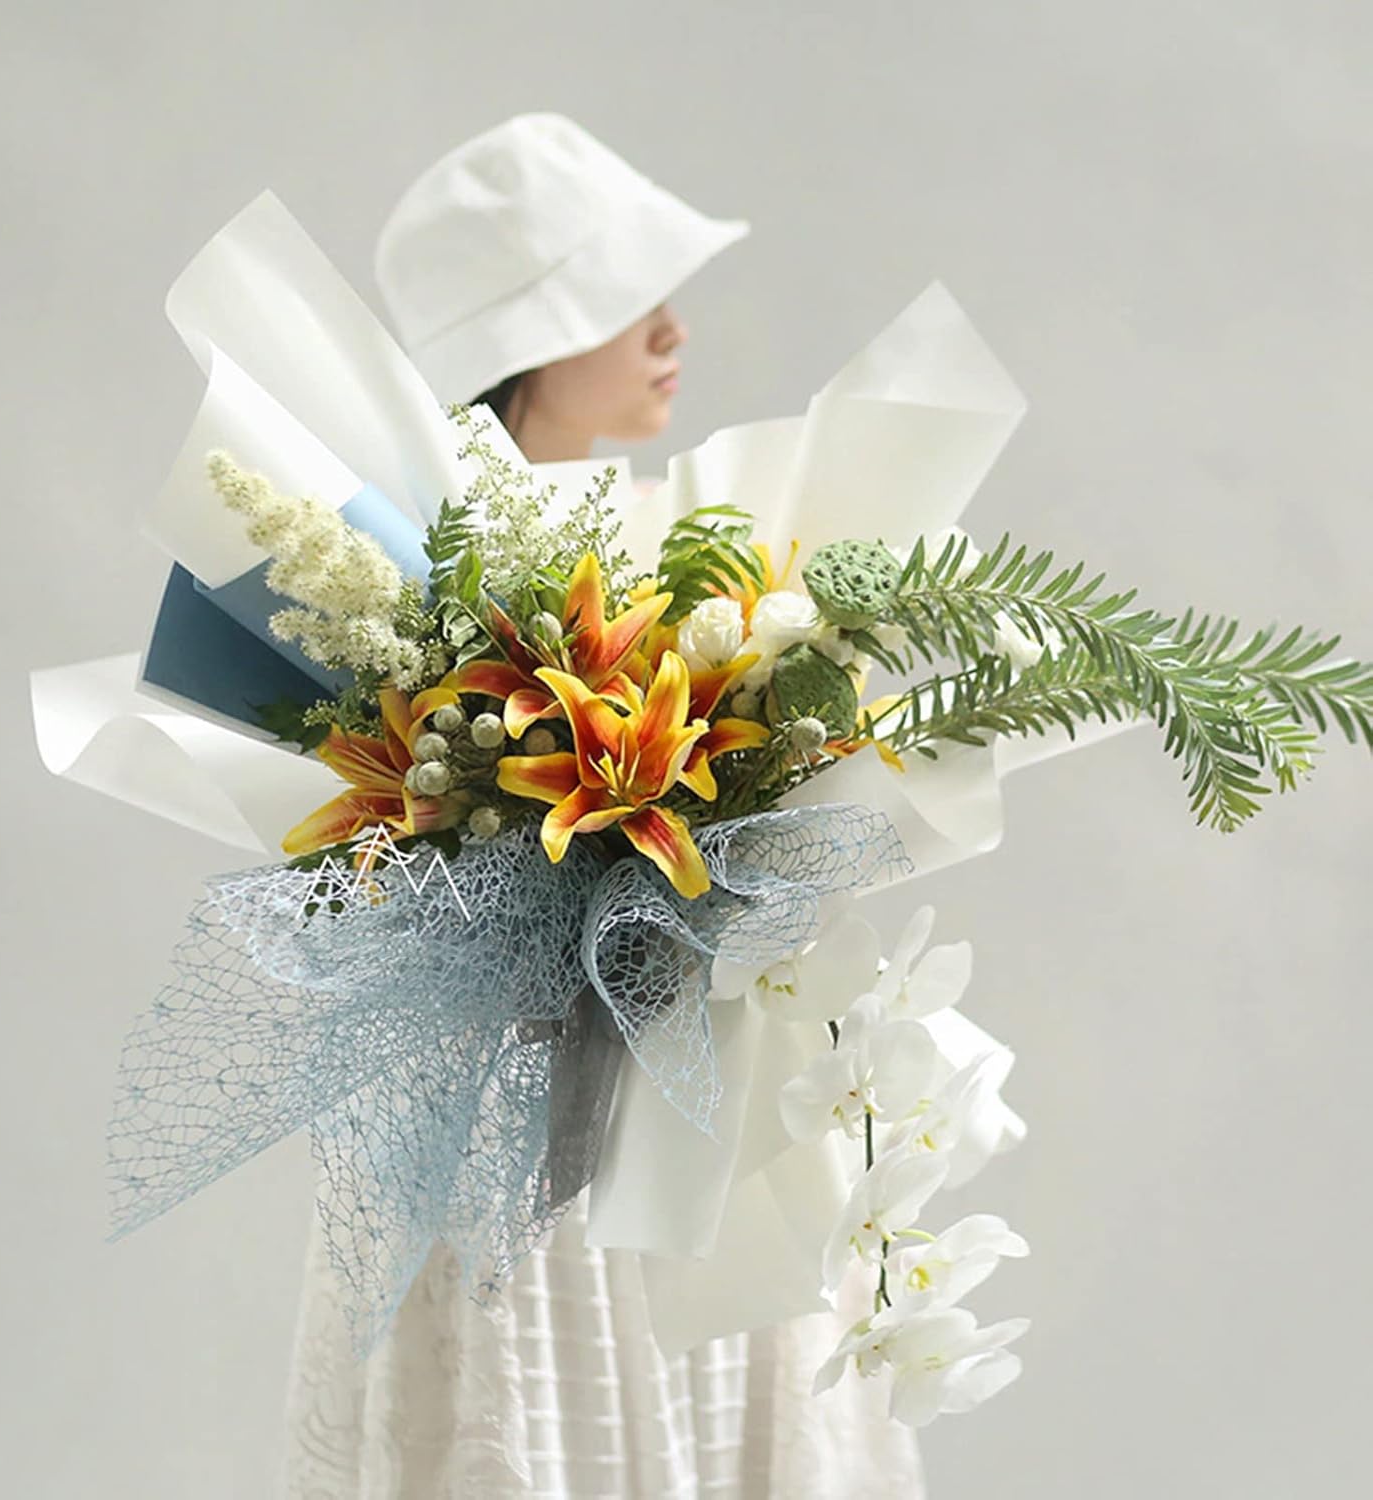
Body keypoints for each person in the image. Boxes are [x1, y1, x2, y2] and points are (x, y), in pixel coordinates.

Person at [279, 113, 926, 1499]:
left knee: (718, 1380)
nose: (673, 330)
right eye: (627, 300)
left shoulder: (707, 545)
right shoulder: (400, 584)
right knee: (536, 1405)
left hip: (698, 1092)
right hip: (503, 1120)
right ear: (529, 339)